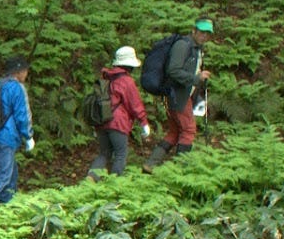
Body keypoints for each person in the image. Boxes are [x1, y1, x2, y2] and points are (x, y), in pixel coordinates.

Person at [146, 18, 213, 168]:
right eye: (202, 32)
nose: (204, 36)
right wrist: (196, 78)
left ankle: (150, 164)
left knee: (175, 131)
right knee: (189, 130)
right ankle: (180, 170)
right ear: (194, 31)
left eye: (207, 34)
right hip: (177, 95)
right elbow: (173, 71)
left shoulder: (197, 48)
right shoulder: (183, 45)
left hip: (180, 95)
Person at [87, 46, 152, 180]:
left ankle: (91, 178)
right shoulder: (127, 81)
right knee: (120, 154)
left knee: (104, 154)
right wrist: (144, 123)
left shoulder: (106, 78)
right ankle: (115, 184)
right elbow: (135, 104)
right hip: (118, 123)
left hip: (101, 122)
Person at [0, 56, 34, 207]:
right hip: (5, 137)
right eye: (25, 71)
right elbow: (22, 114)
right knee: (3, 174)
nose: (26, 74)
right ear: (19, 71)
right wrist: (28, 136)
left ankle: (6, 205)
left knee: (11, 173)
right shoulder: (16, 88)